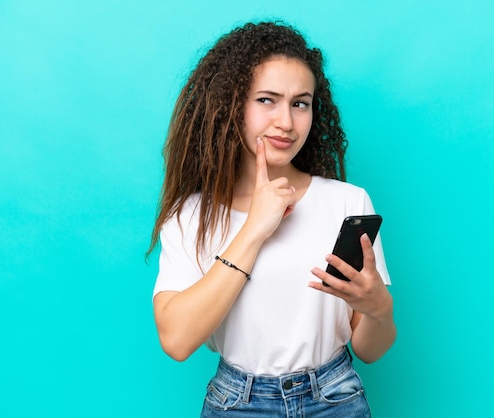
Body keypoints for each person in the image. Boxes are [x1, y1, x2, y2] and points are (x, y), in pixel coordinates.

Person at [148, 21, 396, 417]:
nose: (286, 121)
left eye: (300, 103)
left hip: (335, 399)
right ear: (233, 106)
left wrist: (378, 308)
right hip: (237, 403)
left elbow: (370, 349)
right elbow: (177, 340)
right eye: (267, 100)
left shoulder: (347, 203)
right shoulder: (191, 214)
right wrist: (254, 228)